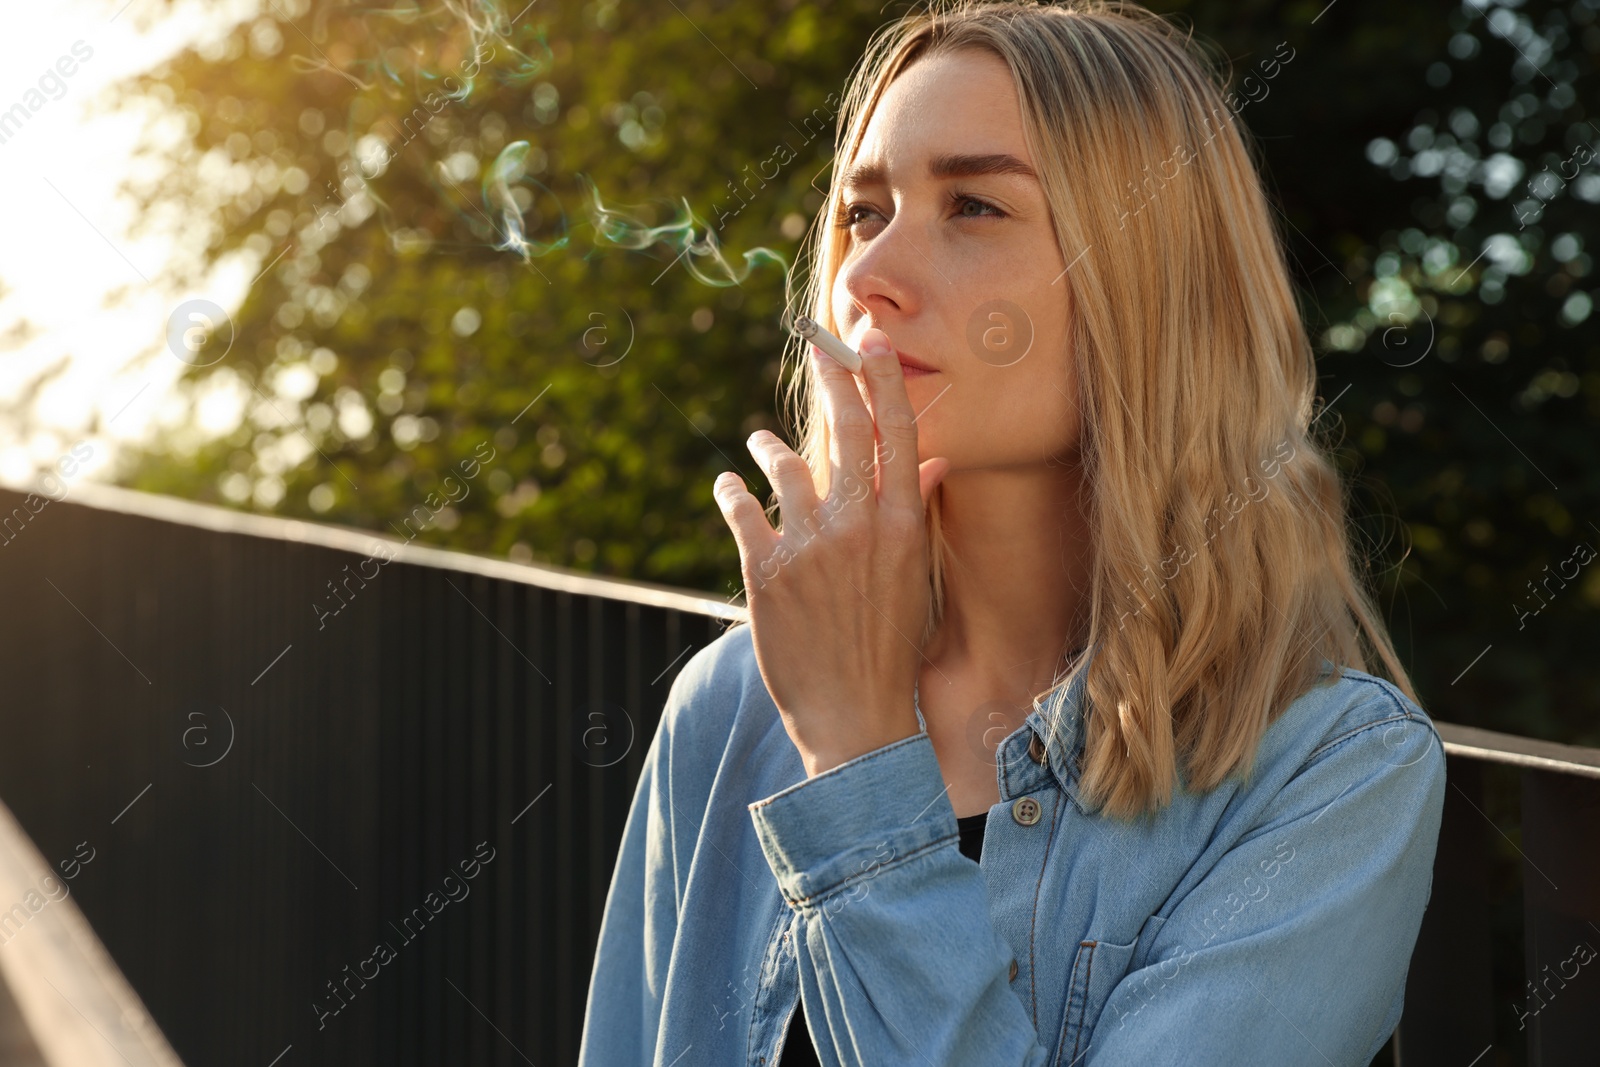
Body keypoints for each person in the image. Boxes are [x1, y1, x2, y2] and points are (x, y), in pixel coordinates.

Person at [578, 1, 1446, 1063]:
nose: (865, 279)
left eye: (974, 205)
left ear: (1152, 278)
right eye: (862, 212)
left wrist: (856, 759)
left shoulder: (1328, 777)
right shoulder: (732, 705)